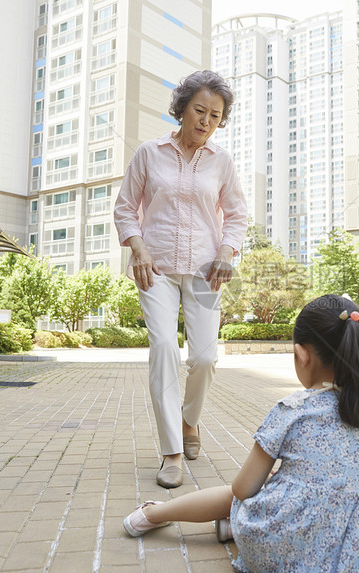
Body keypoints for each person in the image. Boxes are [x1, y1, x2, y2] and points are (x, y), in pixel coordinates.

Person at [123, 295, 359, 573]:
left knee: (250, 489)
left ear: (302, 355)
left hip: (270, 553)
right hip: (347, 560)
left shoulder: (293, 409)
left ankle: (153, 514)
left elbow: (242, 490)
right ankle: (229, 526)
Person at [113, 70, 247, 488]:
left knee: (205, 358)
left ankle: (190, 422)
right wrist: (137, 247)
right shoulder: (149, 154)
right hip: (155, 270)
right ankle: (171, 451)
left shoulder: (222, 162)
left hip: (208, 271)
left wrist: (227, 250)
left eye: (215, 115)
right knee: (165, 349)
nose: (206, 121)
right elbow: (124, 208)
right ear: (183, 109)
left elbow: (238, 215)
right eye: (200, 110)